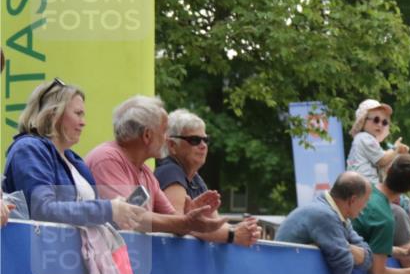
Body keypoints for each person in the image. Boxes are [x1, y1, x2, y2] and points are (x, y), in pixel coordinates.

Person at [2, 79, 145, 229]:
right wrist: (108, 209)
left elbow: (82, 216)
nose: (84, 122)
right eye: (78, 114)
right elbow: (42, 209)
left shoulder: (75, 162)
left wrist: (117, 215)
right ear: (53, 114)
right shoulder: (29, 148)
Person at [85, 95, 226, 236]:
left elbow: (174, 221)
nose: (166, 139)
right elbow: (127, 216)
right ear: (147, 135)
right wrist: (185, 222)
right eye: (164, 131)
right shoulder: (106, 159)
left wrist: (188, 216)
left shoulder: (145, 172)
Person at [157, 109, 260, 246]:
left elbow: (214, 222)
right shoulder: (170, 172)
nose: (203, 145)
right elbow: (180, 225)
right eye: (194, 140)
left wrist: (245, 230)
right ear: (172, 145)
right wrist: (233, 234)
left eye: (206, 140)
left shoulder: (194, 178)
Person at [275, 172, 373, 274]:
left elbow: (369, 259)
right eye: (366, 201)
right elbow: (343, 269)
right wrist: (348, 249)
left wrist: (345, 246)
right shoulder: (324, 215)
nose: (366, 207)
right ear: (352, 200)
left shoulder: (341, 216)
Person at [351, 153, 410, 274]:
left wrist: (403, 252)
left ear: (388, 169)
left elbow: (369, 248)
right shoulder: (385, 219)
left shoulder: (359, 188)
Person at [345, 99, 409, 186]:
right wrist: (395, 148)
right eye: (376, 120)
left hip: (359, 184)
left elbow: (383, 156)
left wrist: (397, 152)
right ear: (363, 121)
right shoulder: (366, 138)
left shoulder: (362, 138)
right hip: (365, 185)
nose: (380, 125)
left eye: (384, 122)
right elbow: (382, 160)